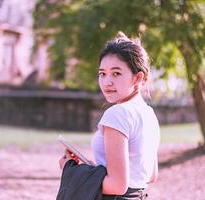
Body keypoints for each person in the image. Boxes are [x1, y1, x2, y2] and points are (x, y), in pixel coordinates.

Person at [59, 31, 160, 200]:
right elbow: (150, 175)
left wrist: (70, 169)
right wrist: (92, 169)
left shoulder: (117, 114)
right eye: (102, 73)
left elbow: (118, 186)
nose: (107, 82)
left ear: (138, 78)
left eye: (116, 73)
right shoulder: (149, 115)